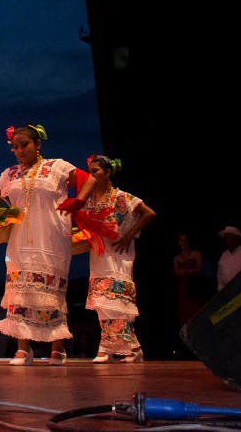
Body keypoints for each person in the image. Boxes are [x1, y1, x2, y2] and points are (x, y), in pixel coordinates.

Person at [0, 124, 96, 366]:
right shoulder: (10, 174)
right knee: (20, 291)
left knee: (52, 292)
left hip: (53, 237)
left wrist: (78, 201)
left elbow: (89, 179)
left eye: (24, 144)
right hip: (20, 241)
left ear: (38, 144)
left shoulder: (57, 167)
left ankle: (58, 347)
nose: (19, 150)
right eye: (15, 146)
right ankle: (23, 349)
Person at [84, 155, 156, 363]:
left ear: (107, 173)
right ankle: (120, 347)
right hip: (99, 252)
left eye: (96, 171)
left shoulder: (121, 197)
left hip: (119, 252)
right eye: (90, 171)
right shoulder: (89, 200)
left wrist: (130, 234)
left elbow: (149, 213)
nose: (92, 175)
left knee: (118, 299)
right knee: (101, 300)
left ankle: (120, 348)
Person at [173, 232, 205, 326]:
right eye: (181, 240)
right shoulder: (176, 258)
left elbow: (199, 269)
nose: (183, 243)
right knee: (184, 312)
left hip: (195, 286)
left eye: (185, 240)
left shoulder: (196, 254)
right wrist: (187, 271)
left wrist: (186, 271)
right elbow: (176, 272)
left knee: (196, 310)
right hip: (183, 288)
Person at [216, 226, 241, 292]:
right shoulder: (224, 255)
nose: (227, 240)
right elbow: (220, 274)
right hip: (227, 292)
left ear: (237, 239)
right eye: (225, 237)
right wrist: (220, 288)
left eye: (230, 237)